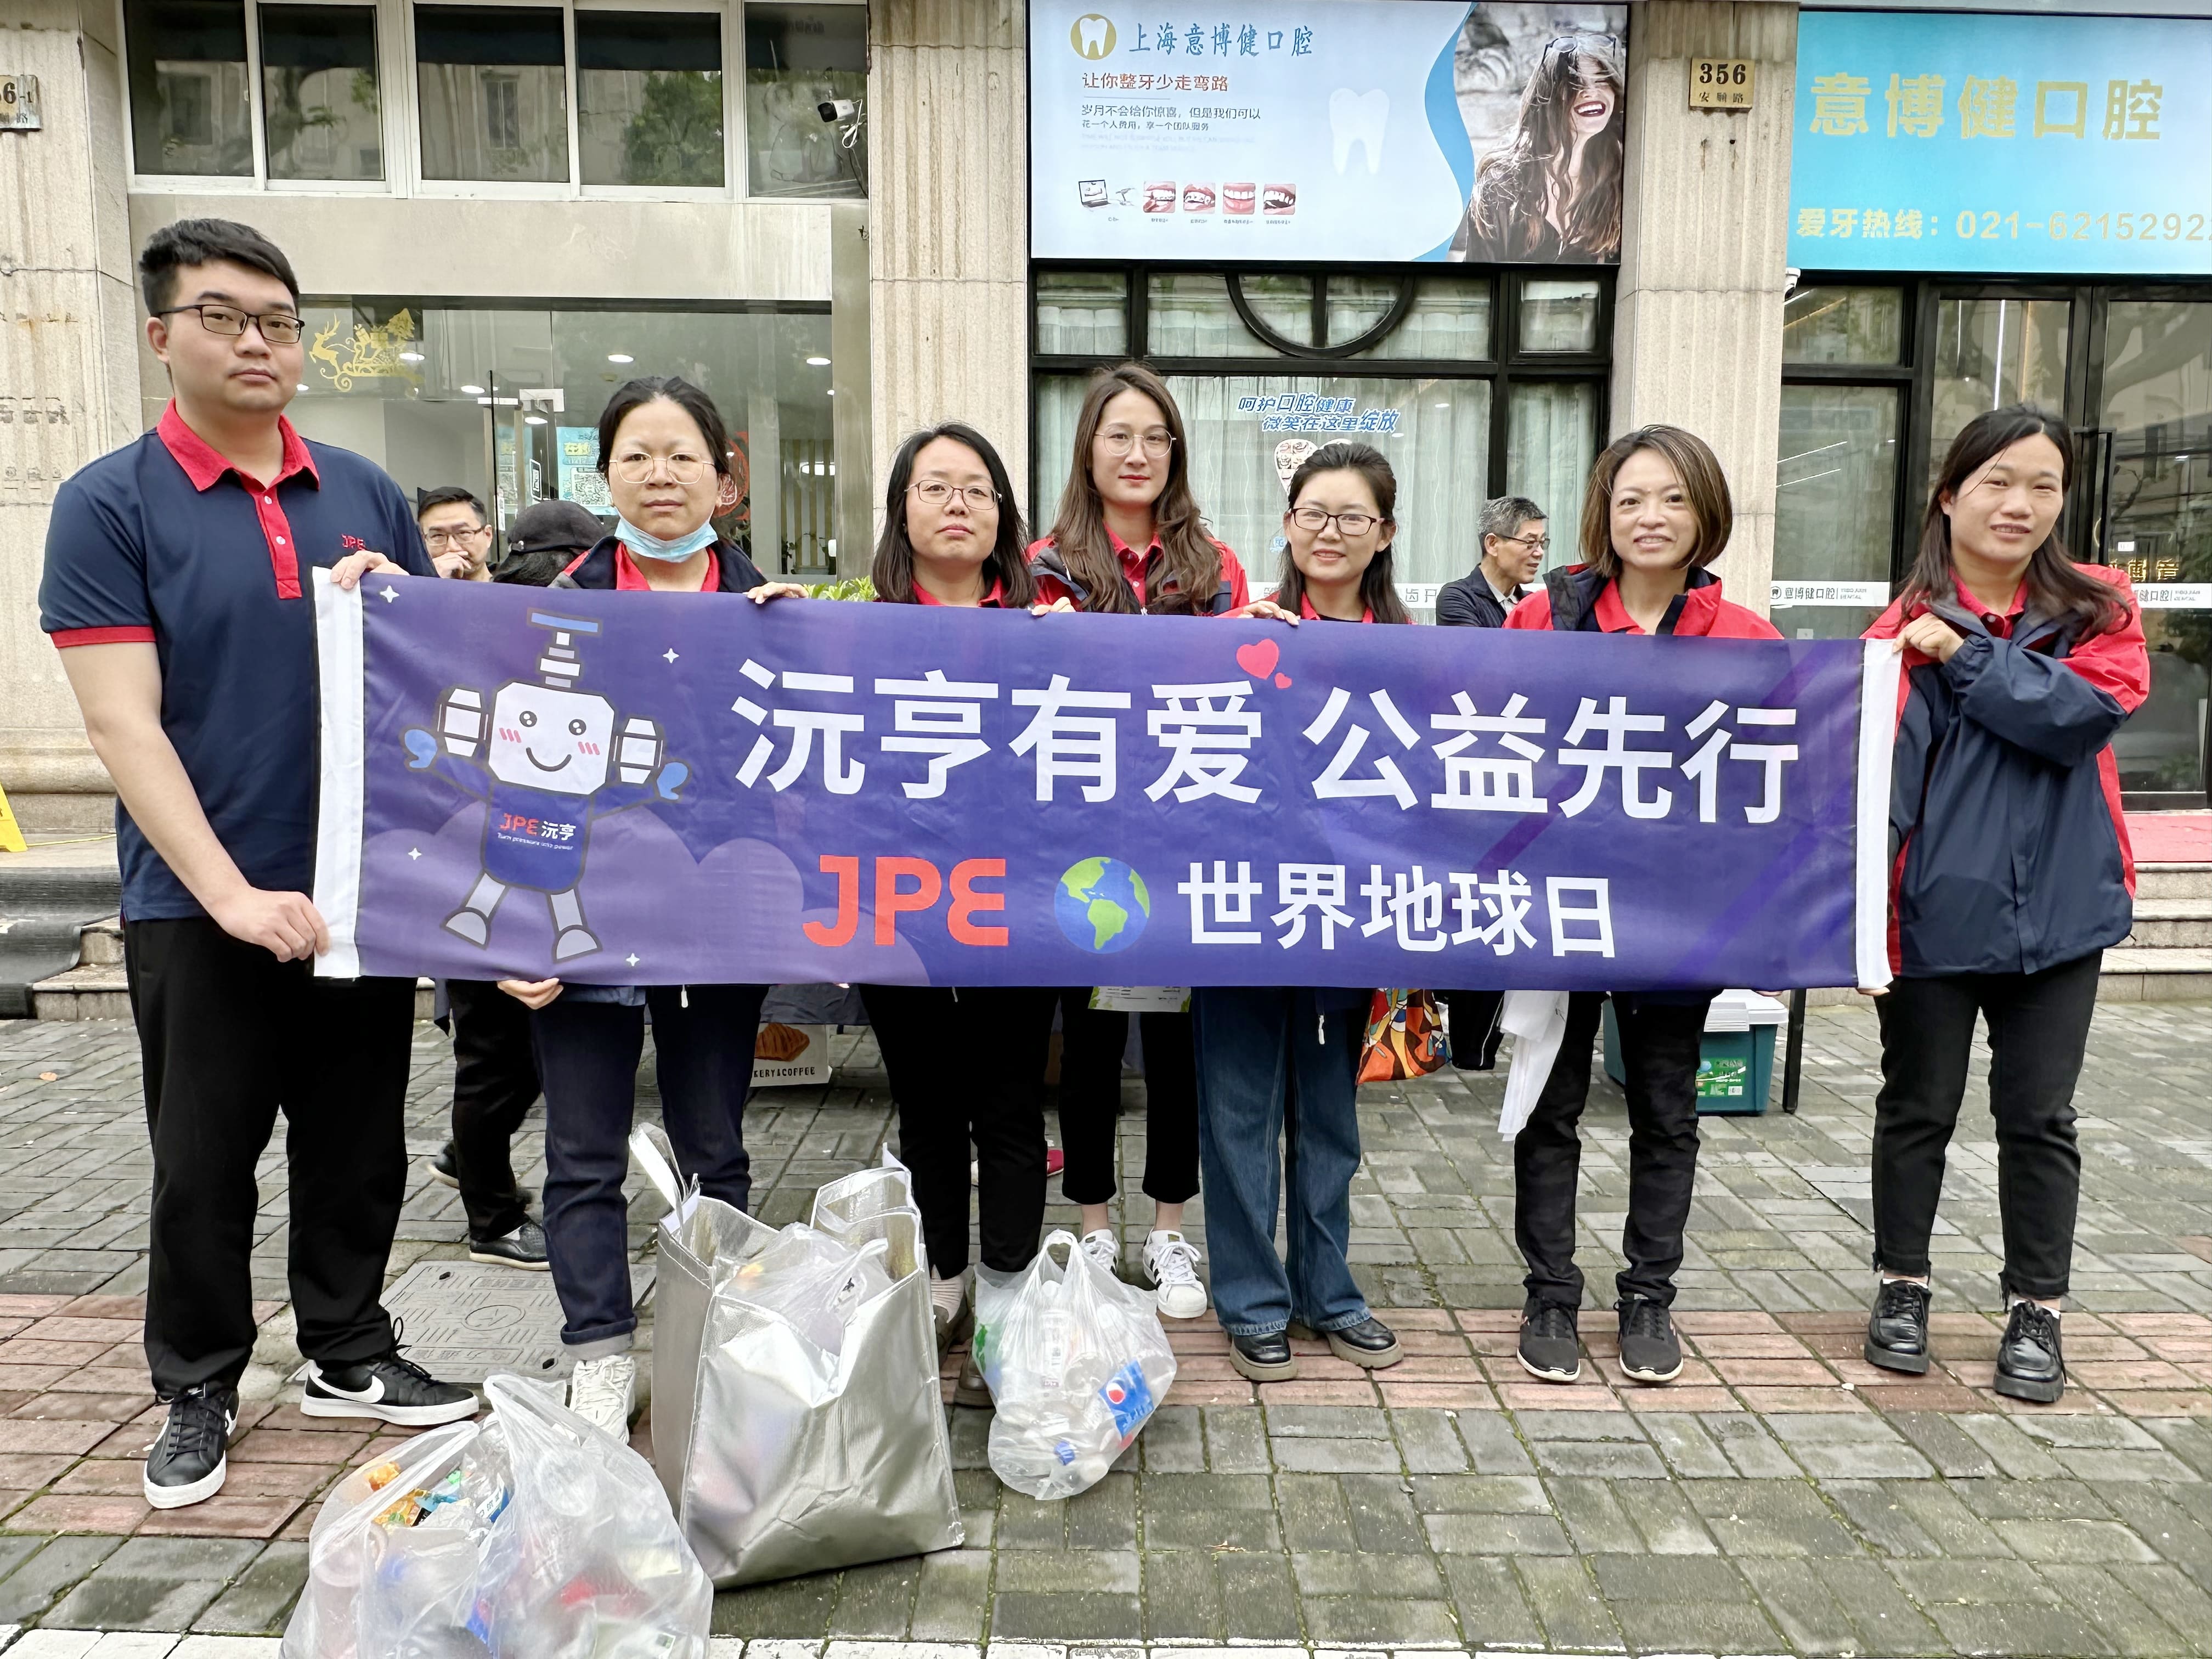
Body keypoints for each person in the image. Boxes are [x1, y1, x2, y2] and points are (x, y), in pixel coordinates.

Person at [38, 218, 478, 1511]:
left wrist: (408, 602)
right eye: (225, 317)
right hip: (199, 898)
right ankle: (198, 1379)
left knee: (359, 1145)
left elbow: (436, 681)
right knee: (202, 1153)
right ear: (161, 333)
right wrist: (228, 891)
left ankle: (348, 1348)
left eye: (279, 322)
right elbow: (122, 722)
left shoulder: (363, 491)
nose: (256, 343)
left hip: (360, 889)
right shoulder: (108, 504)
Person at [494, 376, 804, 1438]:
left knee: (715, 1139)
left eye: (684, 456)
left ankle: (715, 1326)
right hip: (575, 914)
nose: (661, 475)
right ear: (607, 472)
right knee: (581, 1150)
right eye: (639, 455)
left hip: (714, 919)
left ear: (725, 479)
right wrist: (510, 923)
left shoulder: (772, 615)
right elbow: (503, 767)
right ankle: (598, 1347)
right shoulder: (547, 603)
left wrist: (807, 653)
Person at [1860, 406, 2146, 1404]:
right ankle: (1901, 1288)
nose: (2018, 503)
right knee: (1915, 1110)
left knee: (2038, 1117)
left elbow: (2078, 717)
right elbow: (1877, 788)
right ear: (1949, 493)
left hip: (2064, 915)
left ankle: (2037, 1307)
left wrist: (1965, 655)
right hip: (1934, 916)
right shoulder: (1897, 630)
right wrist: (1859, 923)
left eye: (2042, 484)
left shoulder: (2101, 607)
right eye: (1996, 481)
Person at [1503, 424, 1781, 1389]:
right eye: (1630, 499)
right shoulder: (1543, 619)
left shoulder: (1749, 640)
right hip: (1560, 905)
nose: (1649, 517)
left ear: (1704, 510)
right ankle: (1549, 1290)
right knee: (1551, 1101)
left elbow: (1773, 786)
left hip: (1677, 917)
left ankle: (1648, 1292)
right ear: (1603, 514)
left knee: (1667, 1108)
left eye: (1670, 497)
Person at [805, 421, 1066, 1406]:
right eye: (933, 487)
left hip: (1019, 910)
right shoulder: (847, 630)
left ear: (1003, 514)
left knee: (1006, 1105)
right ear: (900, 512)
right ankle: (942, 1281)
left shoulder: (1054, 630)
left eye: (976, 489)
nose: (956, 504)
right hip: (894, 911)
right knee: (924, 1106)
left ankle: (1001, 1293)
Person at [1026, 364, 1291, 1318]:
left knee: (1178, 1043)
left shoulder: (1213, 566)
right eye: (1118, 435)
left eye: (1155, 437)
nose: (1137, 454)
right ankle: (1095, 1227)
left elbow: (1243, 694)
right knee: (1090, 1042)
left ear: (1174, 452)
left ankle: (1171, 1231)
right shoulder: (1042, 564)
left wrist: (1254, 637)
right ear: (1087, 448)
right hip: (1082, 849)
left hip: (1188, 846)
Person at [1192, 441, 1408, 1384]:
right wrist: (1225, 650)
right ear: (1284, 525)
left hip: (1345, 913)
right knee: (1236, 1108)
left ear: (1385, 533)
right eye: (1312, 513)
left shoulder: (1412, 649)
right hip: (1237, 911)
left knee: (1327, 1115)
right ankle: (1250, 1299)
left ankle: (1331, 1292)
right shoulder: (1238, 629)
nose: (1329, 531)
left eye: (1351, 516)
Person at [423, 500, 608, 1271]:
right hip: (491, 859)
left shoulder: (489, 629)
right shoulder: (484, 633)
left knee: (506, 1062)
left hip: (536, 861)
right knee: (498, 1062)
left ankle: (471, 1162)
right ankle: (492, 1215)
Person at [1433, 494, 1548, 1070]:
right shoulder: (1460, 599)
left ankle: (1494, 1039)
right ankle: (1469, 1044)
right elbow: (1492, 674)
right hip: (1475, 774)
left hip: (1521, 774)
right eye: (1529, 541)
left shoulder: (1535, 604)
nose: (1538, 553)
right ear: (1493, 543)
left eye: (1542, 543)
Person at [1451, 33, 1625, 264]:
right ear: (1548, 98)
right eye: (1575, 84)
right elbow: (1477, 284)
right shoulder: (1502, 186)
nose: (1591, 92)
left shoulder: (1620, 180)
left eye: (1602, 81)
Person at [418, 485, 496, 579]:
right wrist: (430, 582)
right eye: (438, 536)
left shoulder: (514, 588)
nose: (452, 548)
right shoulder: (408, 590)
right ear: (423, 542)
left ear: (488, 535)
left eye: (463, 533)